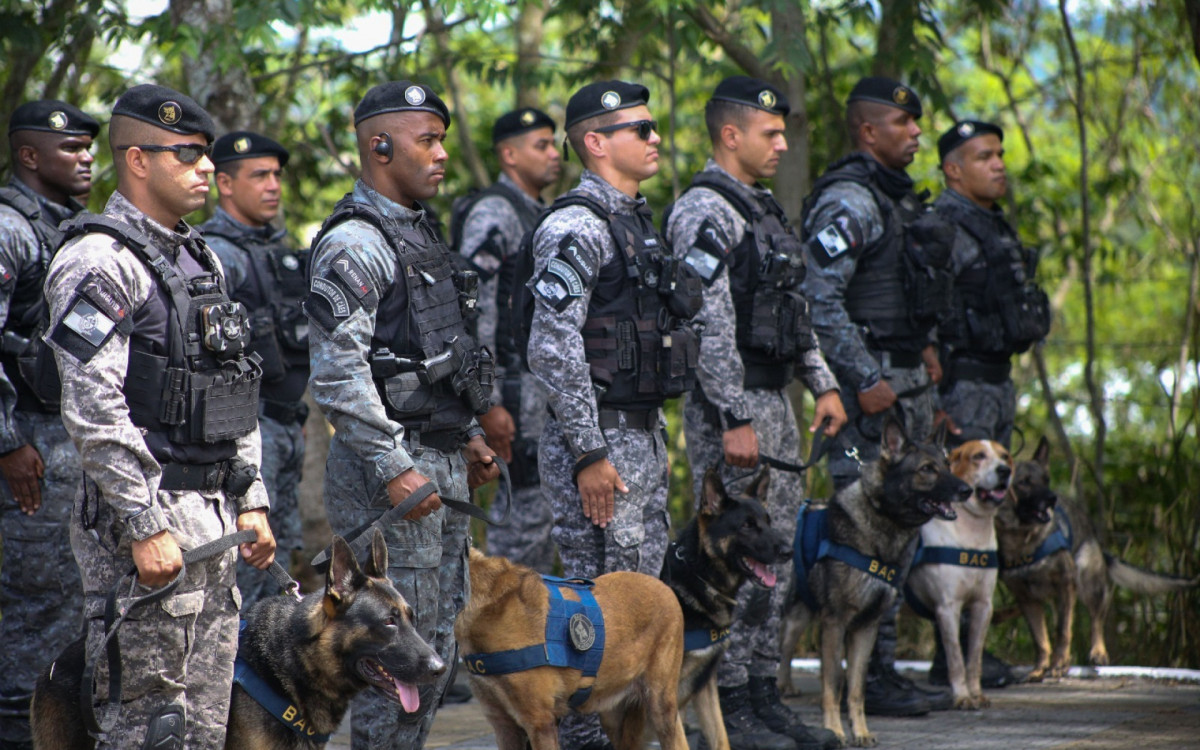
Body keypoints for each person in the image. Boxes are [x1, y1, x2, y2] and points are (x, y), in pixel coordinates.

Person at [43, 83, 276, 749]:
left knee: (203, 728)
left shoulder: (198, 256)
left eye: (207, 155)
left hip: (212, 518)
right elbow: (92, 406)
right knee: (147, 726)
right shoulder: (98, 259)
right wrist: (143, 523)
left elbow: (234, 387)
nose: (207, 167)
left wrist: (250, 497)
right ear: (138, 160)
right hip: (144, 520)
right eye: (188, 154)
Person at [304, 80, 499, 749]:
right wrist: (394, 467)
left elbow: (440, 350)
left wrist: (468, 434)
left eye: (443, 139)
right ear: (378, 145)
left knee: (433, 649)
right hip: (389, 475)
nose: (441, 154)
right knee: (391, 663)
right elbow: (337, 373)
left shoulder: (418, 232)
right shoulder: (357, 242)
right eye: (429, 140)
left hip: (436, 462)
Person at [664, 76, 845, 750]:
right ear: (730, 134)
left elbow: (791, 312)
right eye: (769, 132)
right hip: (732, 410)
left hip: (777, 402)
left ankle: (765, 694)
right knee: (733, 561)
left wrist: (823, 383)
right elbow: (708, 324)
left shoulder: (763, 209)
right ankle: (732, 700)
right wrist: (733, 414)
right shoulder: (704, 210)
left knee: (776, 560)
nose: (781, 142)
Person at [526, 80, 703, 750]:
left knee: (633, 603)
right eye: (642, 129)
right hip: (601, 443)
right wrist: (589, 453)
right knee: (593, 606)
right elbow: (553, 343)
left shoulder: (635, 221)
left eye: (655, 128)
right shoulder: (576, 225)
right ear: (597, 142)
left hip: (639, 435)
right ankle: (581, 739)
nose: (656, 138)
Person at [798, 76, 955, 718]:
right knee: (862, 538)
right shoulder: (851, 200)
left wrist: (922, 354)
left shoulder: (895, 201)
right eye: (903, 123)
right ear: (867, 130)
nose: (917, 132)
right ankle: (866, 682)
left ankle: (881, 671)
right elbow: (818, 294)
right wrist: (861, 378)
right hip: (869, 400)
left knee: (901, 533)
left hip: (904, 388)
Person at [926, 120, 1051, 689]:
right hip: (960, 382)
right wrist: (935, 398)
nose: (999, 164)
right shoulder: (943, 226)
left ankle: (969, 652)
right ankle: (942, 654)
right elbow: (925, 314)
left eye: (1000, 154)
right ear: (954, 169)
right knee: (956, 507)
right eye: (984, 156)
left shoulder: (994, 226)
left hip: (997, 380)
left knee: (992, 504)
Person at [0, 99, 96, 750]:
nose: (87, 157)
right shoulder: (9, 227)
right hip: (29, 441)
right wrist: (6, 444)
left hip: (75, 440)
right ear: (29, 155)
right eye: (71, 149)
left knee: (69, 604)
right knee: (31, 609)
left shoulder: (82, 229)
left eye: (91, 146)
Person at [199, 130, 308, 610]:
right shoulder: (215, 253)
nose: (273, 186)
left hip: (286, 423)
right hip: (244, 430)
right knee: (244, 570)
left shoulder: (277, 250)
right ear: (224, 182)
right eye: (259, 175)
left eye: (277, 175)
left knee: (277, 563)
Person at [457, 108, 560, 572]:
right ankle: (493, 627)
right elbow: (472, 310)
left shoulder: (538, 211)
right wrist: (487, 400)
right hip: (514, 396)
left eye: (554, 144)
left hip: (540, 391)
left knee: (541, 523)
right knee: (518, 528)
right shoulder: (496, 212)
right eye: (542, 145)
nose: (554, 154)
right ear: (509, 154)